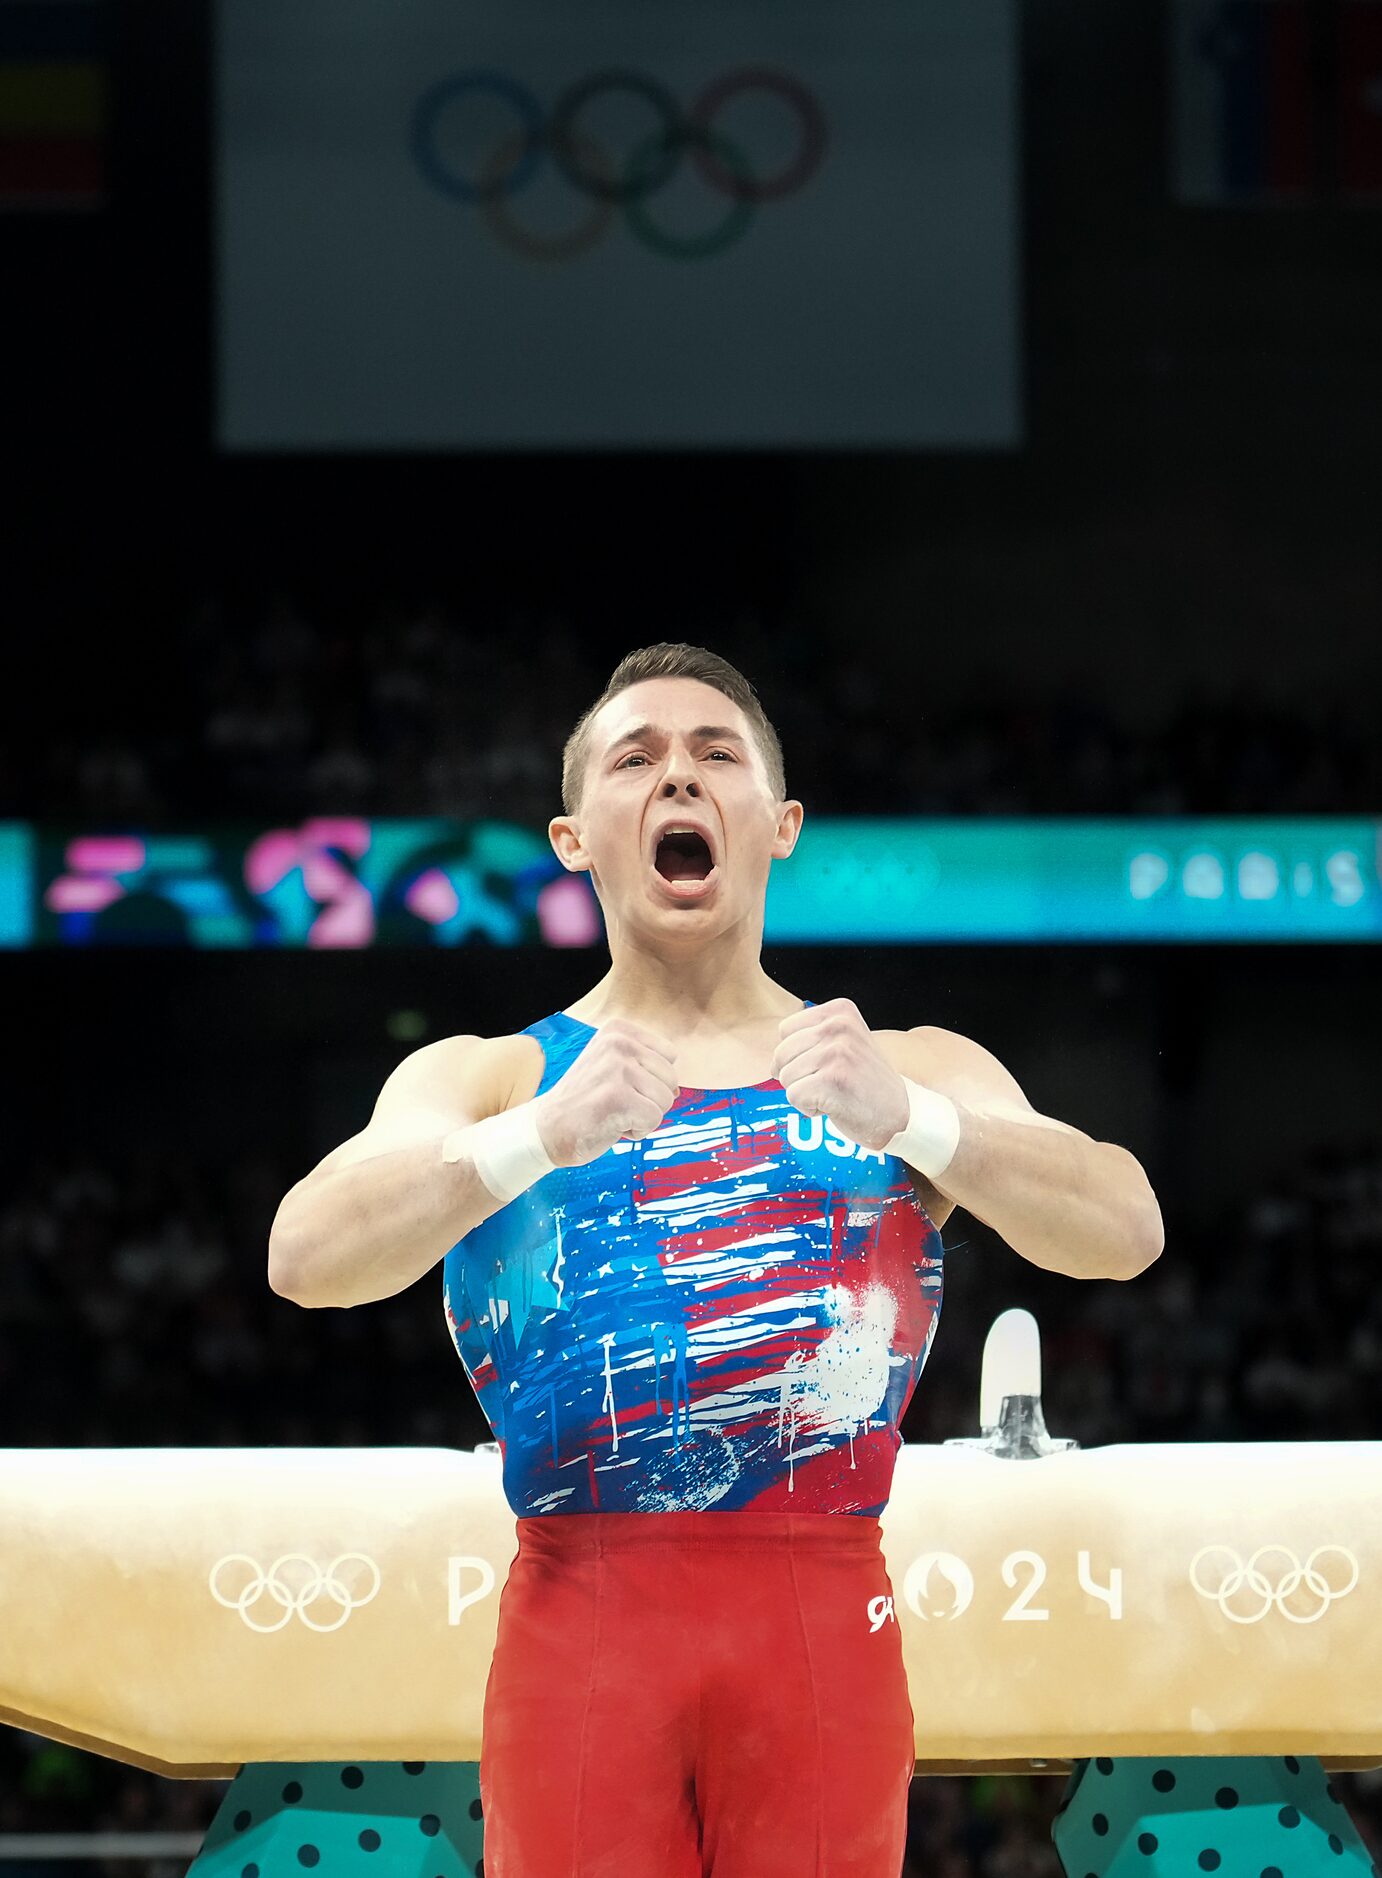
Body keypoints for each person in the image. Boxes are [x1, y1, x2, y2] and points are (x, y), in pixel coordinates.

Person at [268, 642, 1164, 1877]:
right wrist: (538, 1136)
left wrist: (913, 1121)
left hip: (814, 1623)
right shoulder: (491, 1078)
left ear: (778, 824)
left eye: (714, 756)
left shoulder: (900, 1070)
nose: (676, 780)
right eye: (634, 761)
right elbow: (306, 1256)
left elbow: (1122, 1231)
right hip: (580, 1618)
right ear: (575, 835)